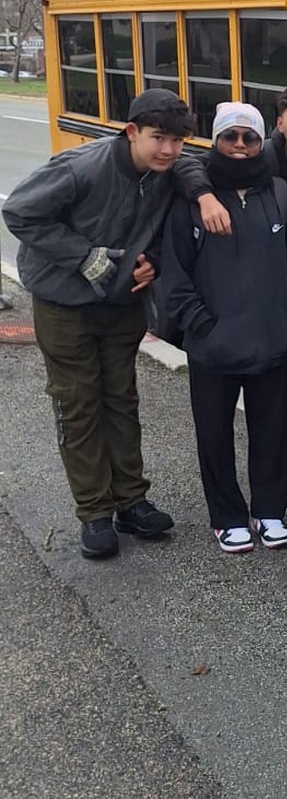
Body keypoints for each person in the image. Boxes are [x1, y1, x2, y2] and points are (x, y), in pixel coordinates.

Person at [2, 90, 195, 560]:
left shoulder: (165, 174)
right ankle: (94, 512)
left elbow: (163, 227)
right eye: (158, 138)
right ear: (130, 132)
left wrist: (152, 263)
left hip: (121, 304)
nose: (168, 149)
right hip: (63, 303)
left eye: (177, 140)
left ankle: (131, 501)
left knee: (121, 399)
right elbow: (20, 212)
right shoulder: (81, 167)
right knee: (79, 403)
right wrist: (82, 256)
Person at [175, 84, 287, 517]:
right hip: (281, 277)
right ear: (279, 123)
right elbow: (192, 168)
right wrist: (202, 194)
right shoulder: (261, 155)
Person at [160, 102, 287, 554]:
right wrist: (199, 325)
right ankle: (226, 516)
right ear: (216, 140)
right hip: (213, 342)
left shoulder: (281, 194)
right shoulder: (191, 200)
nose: (240, 146)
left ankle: (269, 511)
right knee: (214, 434)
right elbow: (175, 272)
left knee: (273, 431)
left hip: (271, 338)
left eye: (250, 138)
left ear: (262, 142)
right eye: (230, 137)